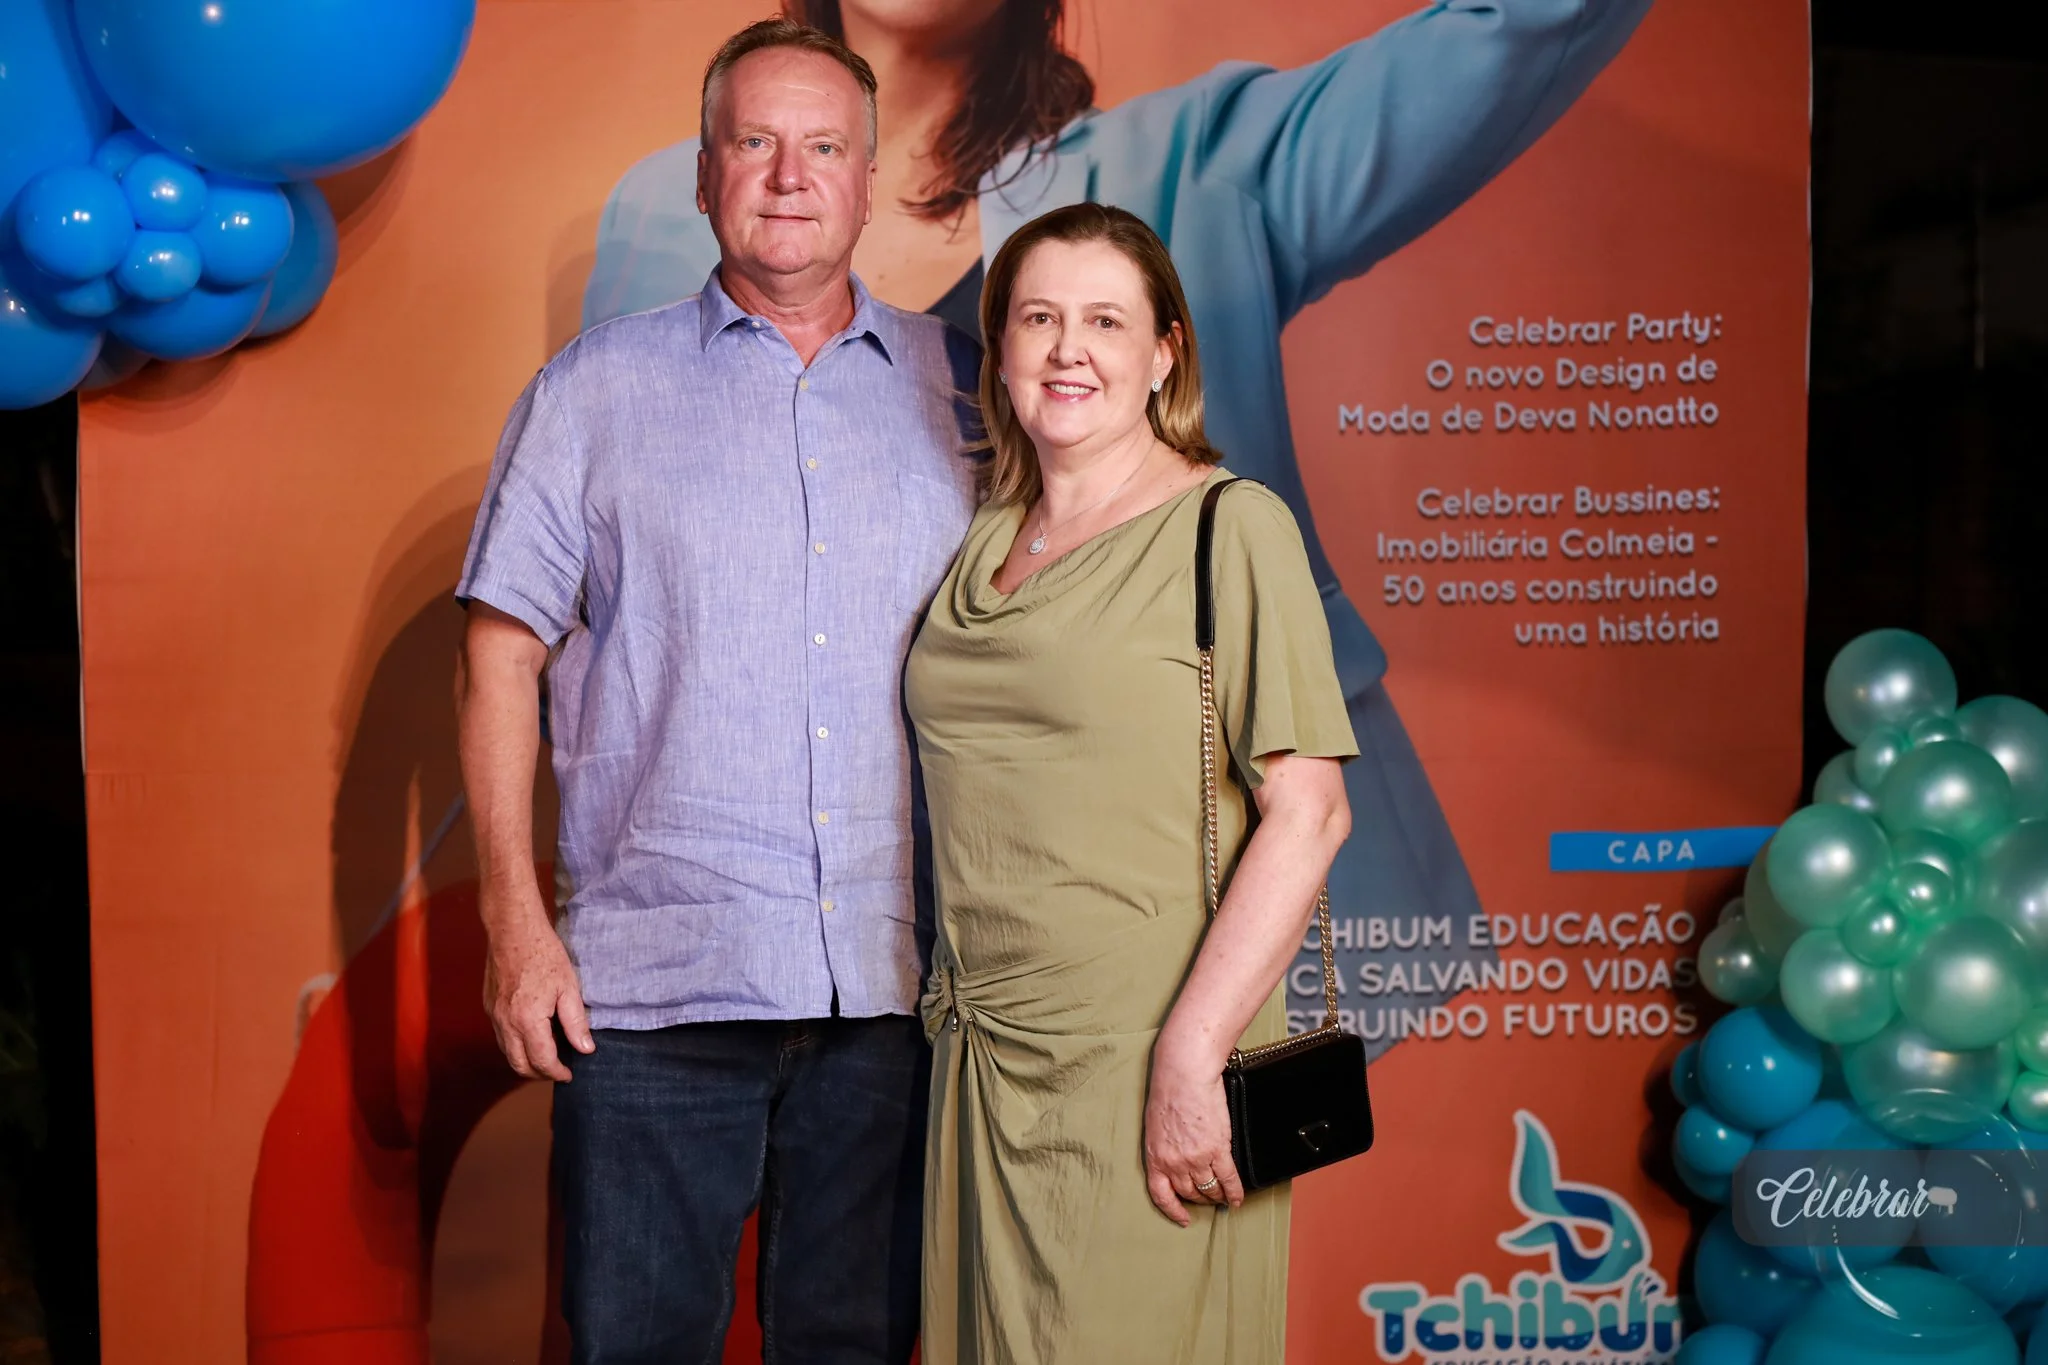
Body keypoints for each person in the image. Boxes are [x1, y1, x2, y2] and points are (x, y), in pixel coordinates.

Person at [582, 0, 1658, 1051]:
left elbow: (1529, 26)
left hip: (1135, 924)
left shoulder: (1197, 167)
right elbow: (612, 606)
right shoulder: (661, 214)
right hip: (792, 936)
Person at [453, 18, 979, 1363]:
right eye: (754, 142)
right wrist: (516, 927)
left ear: (868, 181)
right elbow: (499, 654)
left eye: (824, 147)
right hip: (654, 994)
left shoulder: (968, 394)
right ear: (704, 175)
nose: (789, 176)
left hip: (898, 992)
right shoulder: (593, 391)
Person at [905, 202, 1354, 1363]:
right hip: (979, 1059)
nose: (1068, 350)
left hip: (1143, 1055)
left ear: (1164, 353)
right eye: (1038, 318)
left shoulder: (1229, 528)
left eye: (1104, 321)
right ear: (1000, 348)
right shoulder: (986, 533)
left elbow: (1309, 813)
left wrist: (1189, 1059)